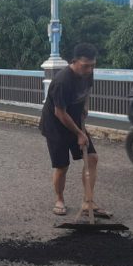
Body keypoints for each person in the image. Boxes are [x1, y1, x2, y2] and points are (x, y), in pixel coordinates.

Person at [38, 43, 108, 217]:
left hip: (76, 121)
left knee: (92, 158)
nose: (90, 69)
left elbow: (87, 92)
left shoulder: (87, 73)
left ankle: (87, 201)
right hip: (56, 126)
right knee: (62, 166)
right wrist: (79, 134)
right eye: (86, 66)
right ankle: (59, 199)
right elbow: (59, 113)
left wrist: (85, 108)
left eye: (93, 65)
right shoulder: (62, 81)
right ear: (74, 62)